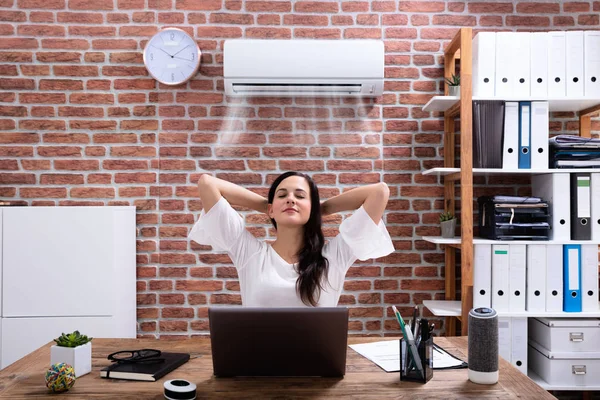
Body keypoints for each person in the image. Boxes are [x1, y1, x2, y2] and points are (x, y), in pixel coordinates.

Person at [188, 171, 394, 307]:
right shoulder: (249, 253)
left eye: (300, 196)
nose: (290, 199)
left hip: (317, 368)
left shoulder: (334, 256)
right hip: (257, 365)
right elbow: (207, 184)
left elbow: (379, 191)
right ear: (271, 209)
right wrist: (267, 206)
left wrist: (319, 209)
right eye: (282, 195)